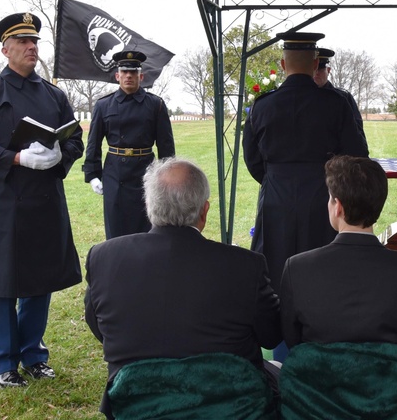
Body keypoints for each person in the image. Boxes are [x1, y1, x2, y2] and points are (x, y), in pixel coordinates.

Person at [0, 12, 84, 388]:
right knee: (3, 283)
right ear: (5, 48)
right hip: (3, 203)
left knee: (39, 280)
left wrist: (62, 154)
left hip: (45, 201)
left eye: (35, 42)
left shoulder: (54, 94)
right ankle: (4, 363)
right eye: (24, 42)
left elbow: (74, 138)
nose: (32, 48)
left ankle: (33, 354)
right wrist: (14, 158)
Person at [84, 157, 282, 382]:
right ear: (204, 211)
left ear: (149, 206)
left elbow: (100, 327)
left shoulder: (103, 259)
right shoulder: (245, 266)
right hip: (226, 407)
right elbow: (271, 334)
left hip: (136, 409)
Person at [242, 32, 368, 359]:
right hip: (323, 196)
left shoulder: (262, 105)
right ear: (315, 64)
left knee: (276, 268)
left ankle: (282, 347)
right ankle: (322, 341)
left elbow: (253, 159)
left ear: (283, 64)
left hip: (275, 198)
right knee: (323, 268)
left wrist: (275, 181)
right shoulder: (336, 104)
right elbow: (357, 156)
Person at [280, 155, 397, 354]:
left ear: (338, 207)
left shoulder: (297, 268)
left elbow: (292, 339)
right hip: (391, 382)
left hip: (319, 382)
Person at [82, 50, 175, 239]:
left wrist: (167, 177)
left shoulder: (155, 105)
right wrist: (92, 175)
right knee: (116, 230)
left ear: (141, 76)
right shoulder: (104, 105)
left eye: (133, 72)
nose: (129, 76)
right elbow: (93, 143)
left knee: (147, 230)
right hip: (115, 176)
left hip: (146, 174)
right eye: (124, 72)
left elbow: (166, 146)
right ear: (117, 76)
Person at [314, 47, 365, 136]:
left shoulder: (343, 97)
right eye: (313, 69)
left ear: (328, 70)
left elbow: (357, 134)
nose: (316, 73)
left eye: (321, 69)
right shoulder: (299, 97)